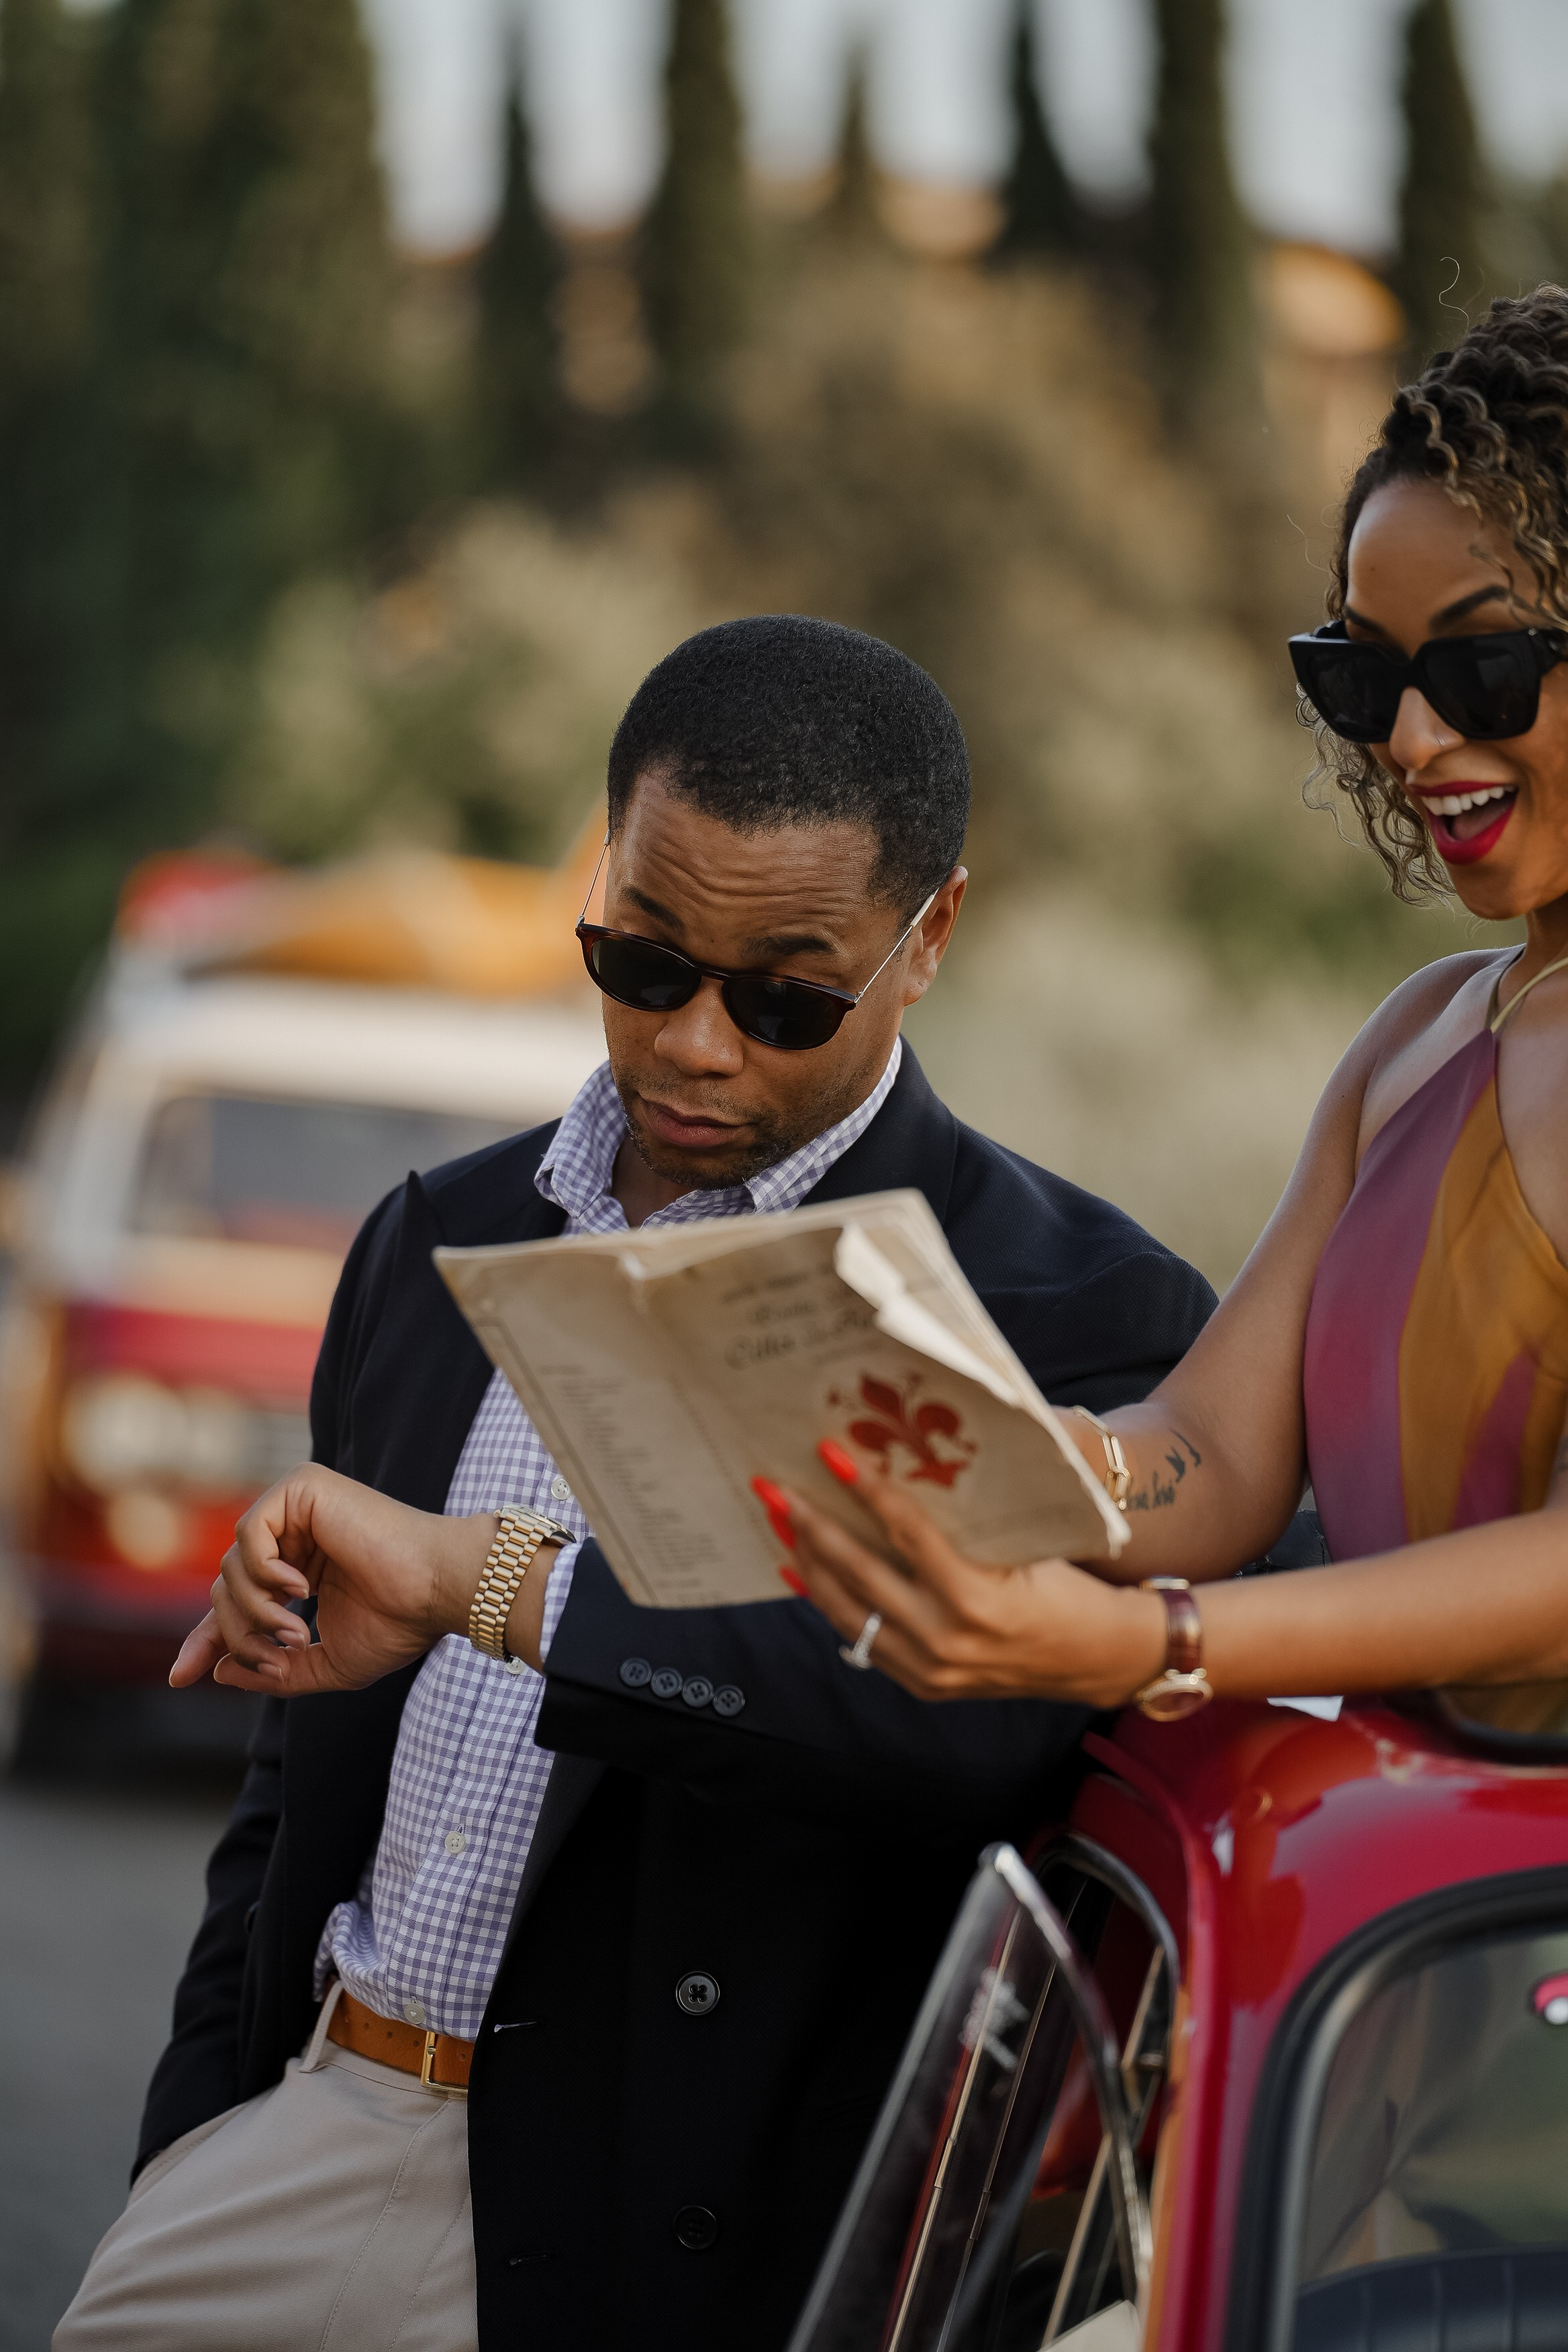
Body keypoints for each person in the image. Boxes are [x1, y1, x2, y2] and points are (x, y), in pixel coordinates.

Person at [55, 617, 1216, 2352]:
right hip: (298, 2134)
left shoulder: (1074, 1315)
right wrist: (205, 2126)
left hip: (663, 2245)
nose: (694, 1046)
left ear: (933, 938)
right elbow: (293, 1777)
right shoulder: (440, 1232)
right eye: (643, 960)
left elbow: (949, 1727)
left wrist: (500, 1590)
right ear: (597, 885)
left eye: (786, 996)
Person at [763, 293, 1568, 1726]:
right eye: (1362, 677)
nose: (1410, 737)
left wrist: (1154, 1645)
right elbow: (1213, 1450)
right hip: (1388, 1898)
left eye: (1480, 663)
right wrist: (992, 1466)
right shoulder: (1420, 1038)